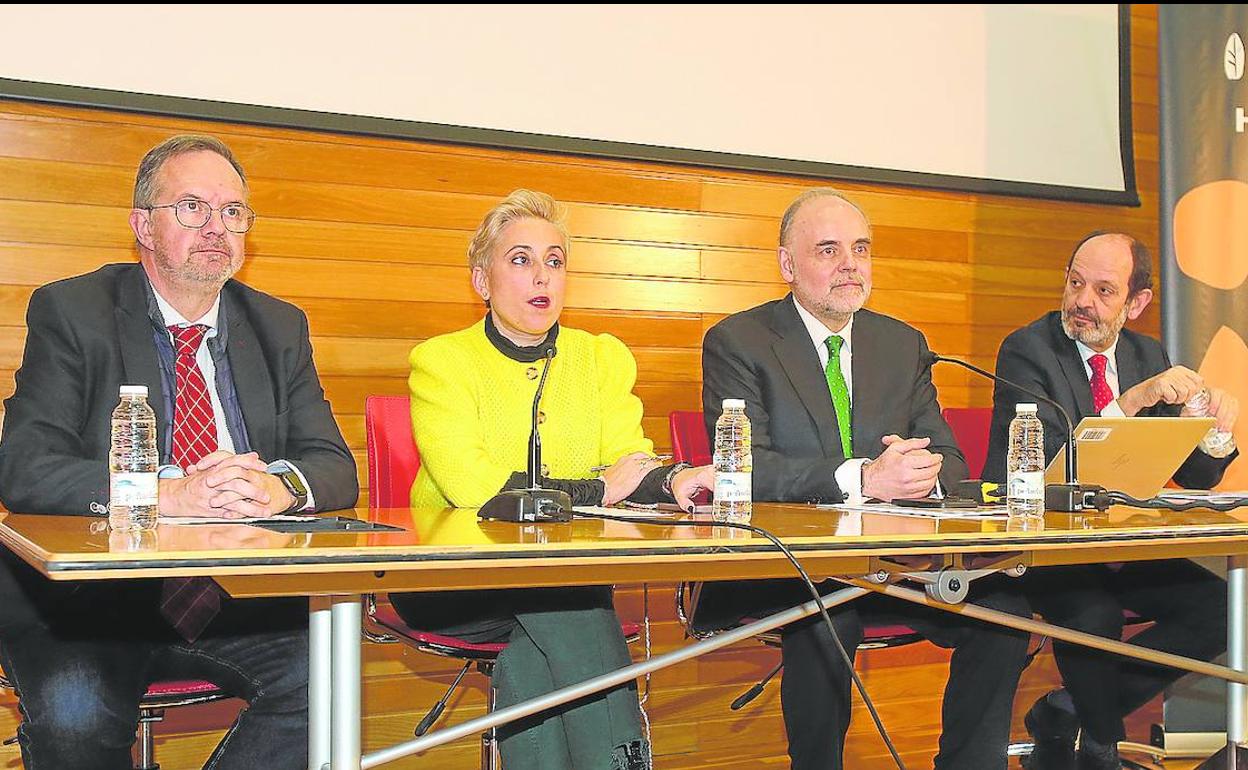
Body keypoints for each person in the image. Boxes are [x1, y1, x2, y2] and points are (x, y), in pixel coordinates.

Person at [0, 134, 359, 770]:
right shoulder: (73, 311)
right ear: (143, 225)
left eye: (232, 212)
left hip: (230, 596)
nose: (216, 227)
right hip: (89, 603)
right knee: (78, 716)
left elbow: (332, 464)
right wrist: (165, 494)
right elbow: (25, 466)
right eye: (191, 206)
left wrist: (280, 487)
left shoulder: (278, 326)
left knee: (328, 681)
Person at [697, 187, 1030, 770]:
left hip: (900, 562)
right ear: (787, 264)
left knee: (1004, 610)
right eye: (828, 250)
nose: (850, 263)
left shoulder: (901, 344)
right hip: (789, 565)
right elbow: (743, 468)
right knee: (829, 615)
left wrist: (920, 474)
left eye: (861, 248)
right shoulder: (739, 341)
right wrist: (864, 478)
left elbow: (952, 462)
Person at [388, 189, 713, 770]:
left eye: (554, 261)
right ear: (481, 280)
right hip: (453, 577)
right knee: (573, 607)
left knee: (540, 644)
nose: (542, 275)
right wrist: (599, 491)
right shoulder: (443, 361)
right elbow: (477, 489)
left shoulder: (599, 358)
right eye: (520, 259)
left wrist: (672, 481)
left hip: (561, 574)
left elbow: (627, 459)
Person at [984, 231, 1236, 770]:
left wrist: (1212, 431)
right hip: (1041, 547)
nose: (1082, 302)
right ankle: (1102, 750)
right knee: (1094, 616)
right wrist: (1133, 400)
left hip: (1122, 544)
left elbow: (1194, 475)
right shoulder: (1027, 350)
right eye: (1075, 283)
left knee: (1218, 610)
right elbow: (1051, 470)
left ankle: (1068, 709)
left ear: (1136, 303)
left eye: (1103, 291)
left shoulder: (1146, 353)